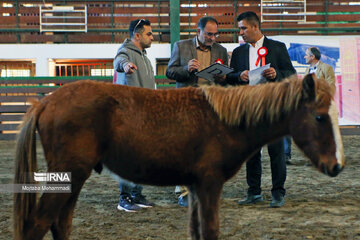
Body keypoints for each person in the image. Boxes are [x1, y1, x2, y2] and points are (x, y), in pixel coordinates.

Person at [227, 11, 296, 208]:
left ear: (255, 27)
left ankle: (278, 193)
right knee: (251, 154)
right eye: (240, 29)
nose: (240, 33)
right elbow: (231, 77)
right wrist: (239, 76)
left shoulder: (277, 47)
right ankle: (254, 192)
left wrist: (277, 73)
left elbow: (290, 74)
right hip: (249, 110)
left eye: (243, 28)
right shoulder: (239, 52)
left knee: (276, 153)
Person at [166, 16, 229, 207]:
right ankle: (183, 191)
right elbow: (170, 72)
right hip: (186, 104)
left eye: (215, 34)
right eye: (209, 34)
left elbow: (224, 79)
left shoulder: (221, 50)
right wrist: (186, 68)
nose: (212, 37)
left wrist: (222, 76)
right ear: (198, 31)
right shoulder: (181, 46)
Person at [113, 18, 155, 212]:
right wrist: (125, 65)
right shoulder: (126, 51)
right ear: (137, 36)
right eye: (149, 33)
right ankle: (124, 198)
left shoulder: (145, 57)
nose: (152, 37)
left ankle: (137, 194)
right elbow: (118, 61)